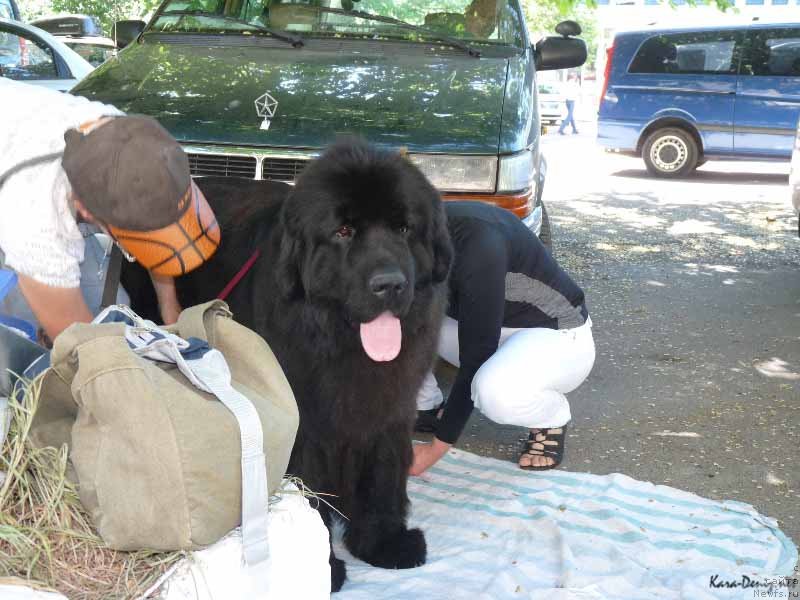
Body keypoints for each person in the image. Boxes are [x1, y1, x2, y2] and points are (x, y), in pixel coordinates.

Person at [0, 79, 220, 387]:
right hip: (17, 192)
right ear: (88, 212)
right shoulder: (37, 220)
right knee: (27, 359)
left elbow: (161, 221)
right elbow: (84, 350)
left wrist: (169, 309)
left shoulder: (131, 139)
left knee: (116, 309)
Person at [410, 201, 595, 476]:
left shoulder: (478, 243)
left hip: (556, 337)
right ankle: (426, 406)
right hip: (485, 324)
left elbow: (476, 356)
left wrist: (432, 452)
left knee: (492, 392)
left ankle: (551, 416)